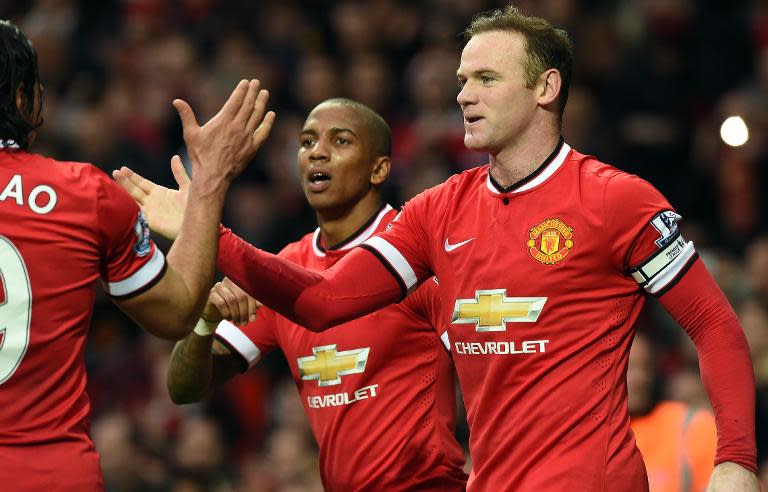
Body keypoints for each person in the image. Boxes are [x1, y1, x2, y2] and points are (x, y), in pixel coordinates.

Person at [135, 6, 759, 491]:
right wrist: (207, 230)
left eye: (486, 79)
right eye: (462, 80)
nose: (462, 94)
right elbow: (324, 302)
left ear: (545, 88)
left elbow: (713, 323)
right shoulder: (438, 210)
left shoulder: (615, 200)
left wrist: (735, 460)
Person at [115, 98, 468, 491]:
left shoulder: (414, 259)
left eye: (341, 141)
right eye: (306, 142)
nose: (317, 152)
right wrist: (205, 321)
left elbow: (489, 366)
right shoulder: (284, 271)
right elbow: (183, 388)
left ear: (379, 168)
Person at [0, 20, 274, 491]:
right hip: (49, 472)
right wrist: (209, 182)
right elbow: (176, 312)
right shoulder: (84, 193)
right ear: (25, 100)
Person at [628, 333, 717, 492]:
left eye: (645, 366)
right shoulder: (590, 436)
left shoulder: (694, 426)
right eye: (628, 368)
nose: (640, 378)